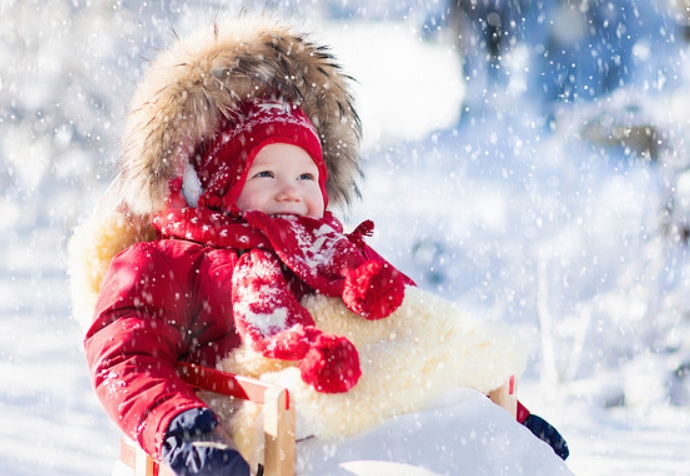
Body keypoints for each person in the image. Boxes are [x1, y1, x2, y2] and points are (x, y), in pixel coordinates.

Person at [69, 18, 567, 476]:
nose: (291, 190)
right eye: (264, 173)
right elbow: (125, 356)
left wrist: (508, 417)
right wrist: (183, 428)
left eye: (306, 174)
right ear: (216, 184)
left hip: (383, 409)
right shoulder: (175, 261)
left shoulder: (338, 256)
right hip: (279, 434)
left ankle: (504, 451)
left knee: (470, 437)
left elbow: (420, 333)